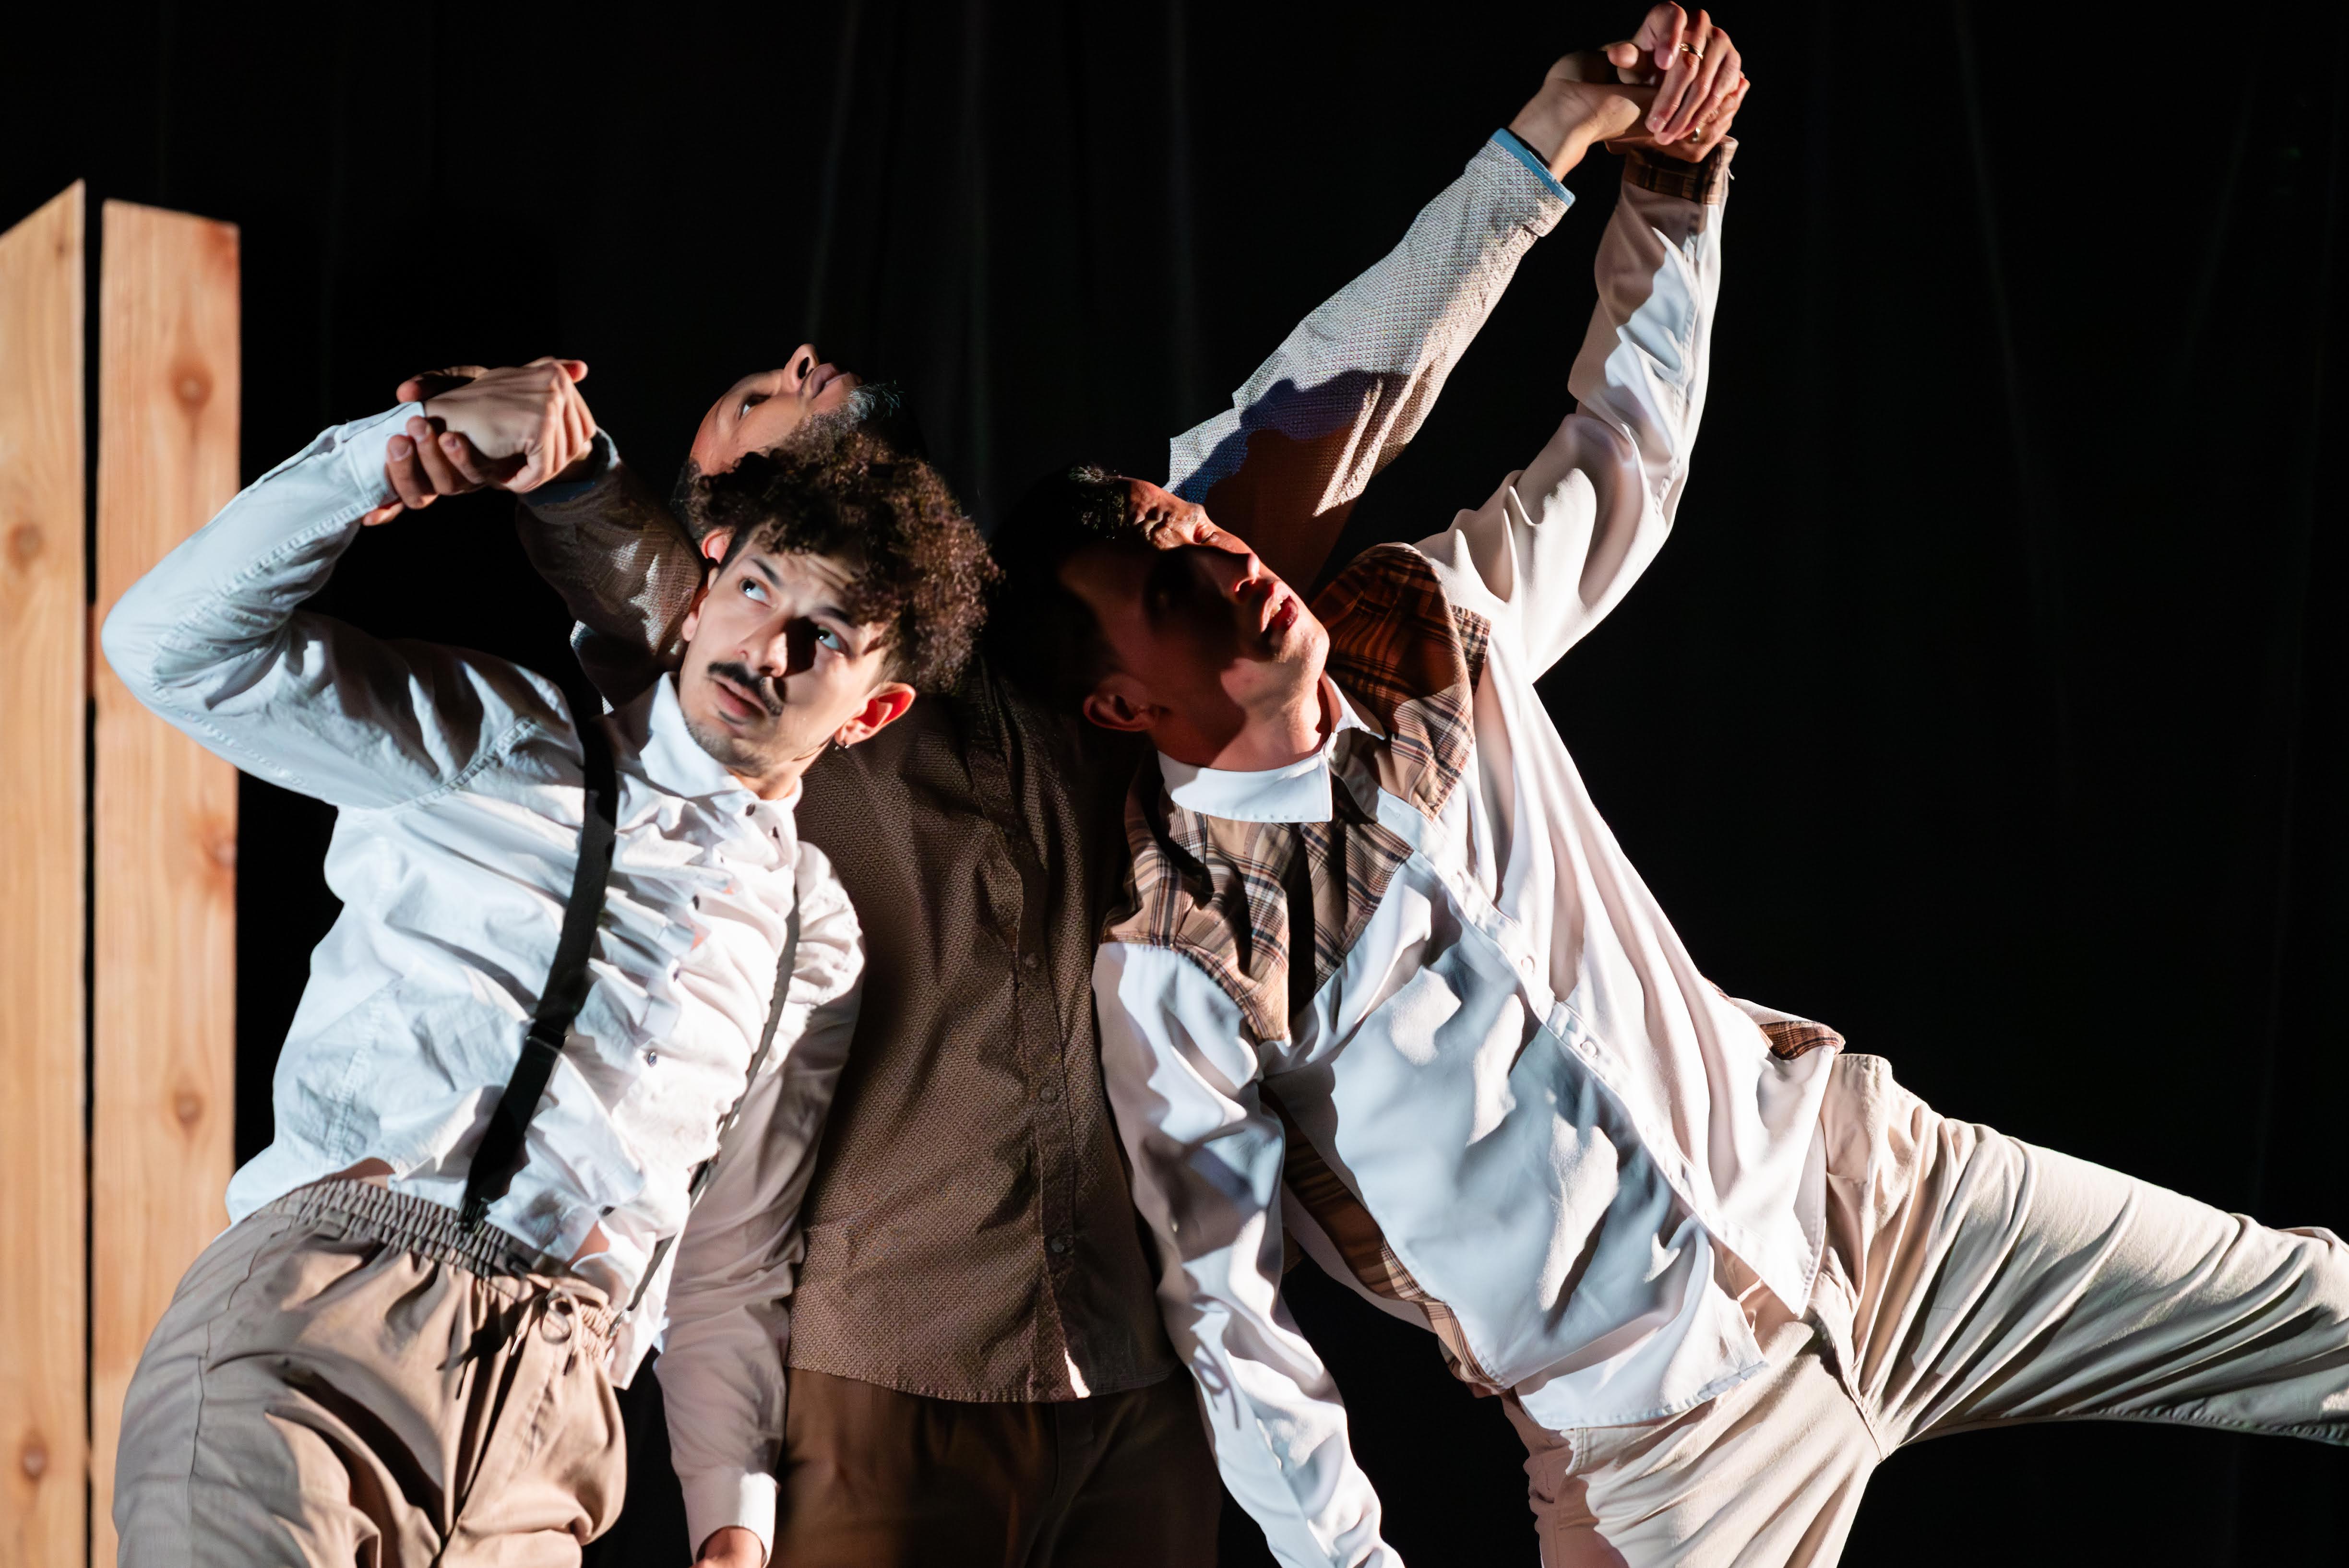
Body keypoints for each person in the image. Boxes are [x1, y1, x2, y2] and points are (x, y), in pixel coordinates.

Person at [368, 11, 1752, 1562]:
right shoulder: (764, 694)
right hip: (885, 1391)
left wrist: (1542, 145)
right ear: (723, 558)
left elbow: (1338, 385)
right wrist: (560, 469)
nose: (803, 365)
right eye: (756, 402)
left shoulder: (1103, 620)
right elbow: (631, 572)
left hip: (1133, 1386)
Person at [986, 16, 2349, 1568]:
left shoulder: (1421, 621)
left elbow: (1622, 456)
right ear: (1117, 700)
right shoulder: (1177, 946)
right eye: (1168, 583)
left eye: (1204, 531)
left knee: (2318, 1313)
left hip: (1879, 1209)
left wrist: (1671, 196)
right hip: (1665, 1439)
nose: (1231, 562)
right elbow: (1229, 1314)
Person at [101, 361, 993, 1568]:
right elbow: (166, 648)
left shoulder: (812, 935)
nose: (767, 648)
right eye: (755, 590)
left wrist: (733, 1514)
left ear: (872, 711)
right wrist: (386, 454)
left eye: (823, 637)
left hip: (555, 1428)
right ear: (703, 589)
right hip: (320, 1333)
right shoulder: (500, 741)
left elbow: (728, 1259)